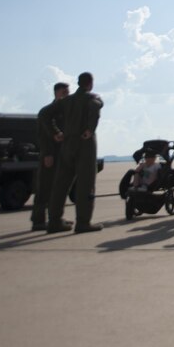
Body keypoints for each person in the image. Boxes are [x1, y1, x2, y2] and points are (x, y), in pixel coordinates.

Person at [47, 72, 103, 234]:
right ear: (90, 83)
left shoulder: (66, 101)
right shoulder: (92, 97)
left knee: (61, 184)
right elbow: (95, 106)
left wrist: (55, 132)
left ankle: (54, 221)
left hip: (67, 143)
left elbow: (44, 114)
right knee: (85, 184)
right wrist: (90, 129)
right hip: (84, 144)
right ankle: (83, 222)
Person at [31, 82, 70, 232]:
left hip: (62, 154)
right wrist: (47, 153)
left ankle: (56, 218)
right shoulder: (47, 112)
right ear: (56, 93)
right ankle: (38, 220)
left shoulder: (65, 111)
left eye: (67, 92)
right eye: (64, 92)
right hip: (51, 154)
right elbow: (43, 136)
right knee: (44, 188)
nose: (66, 95)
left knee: (59, 188)